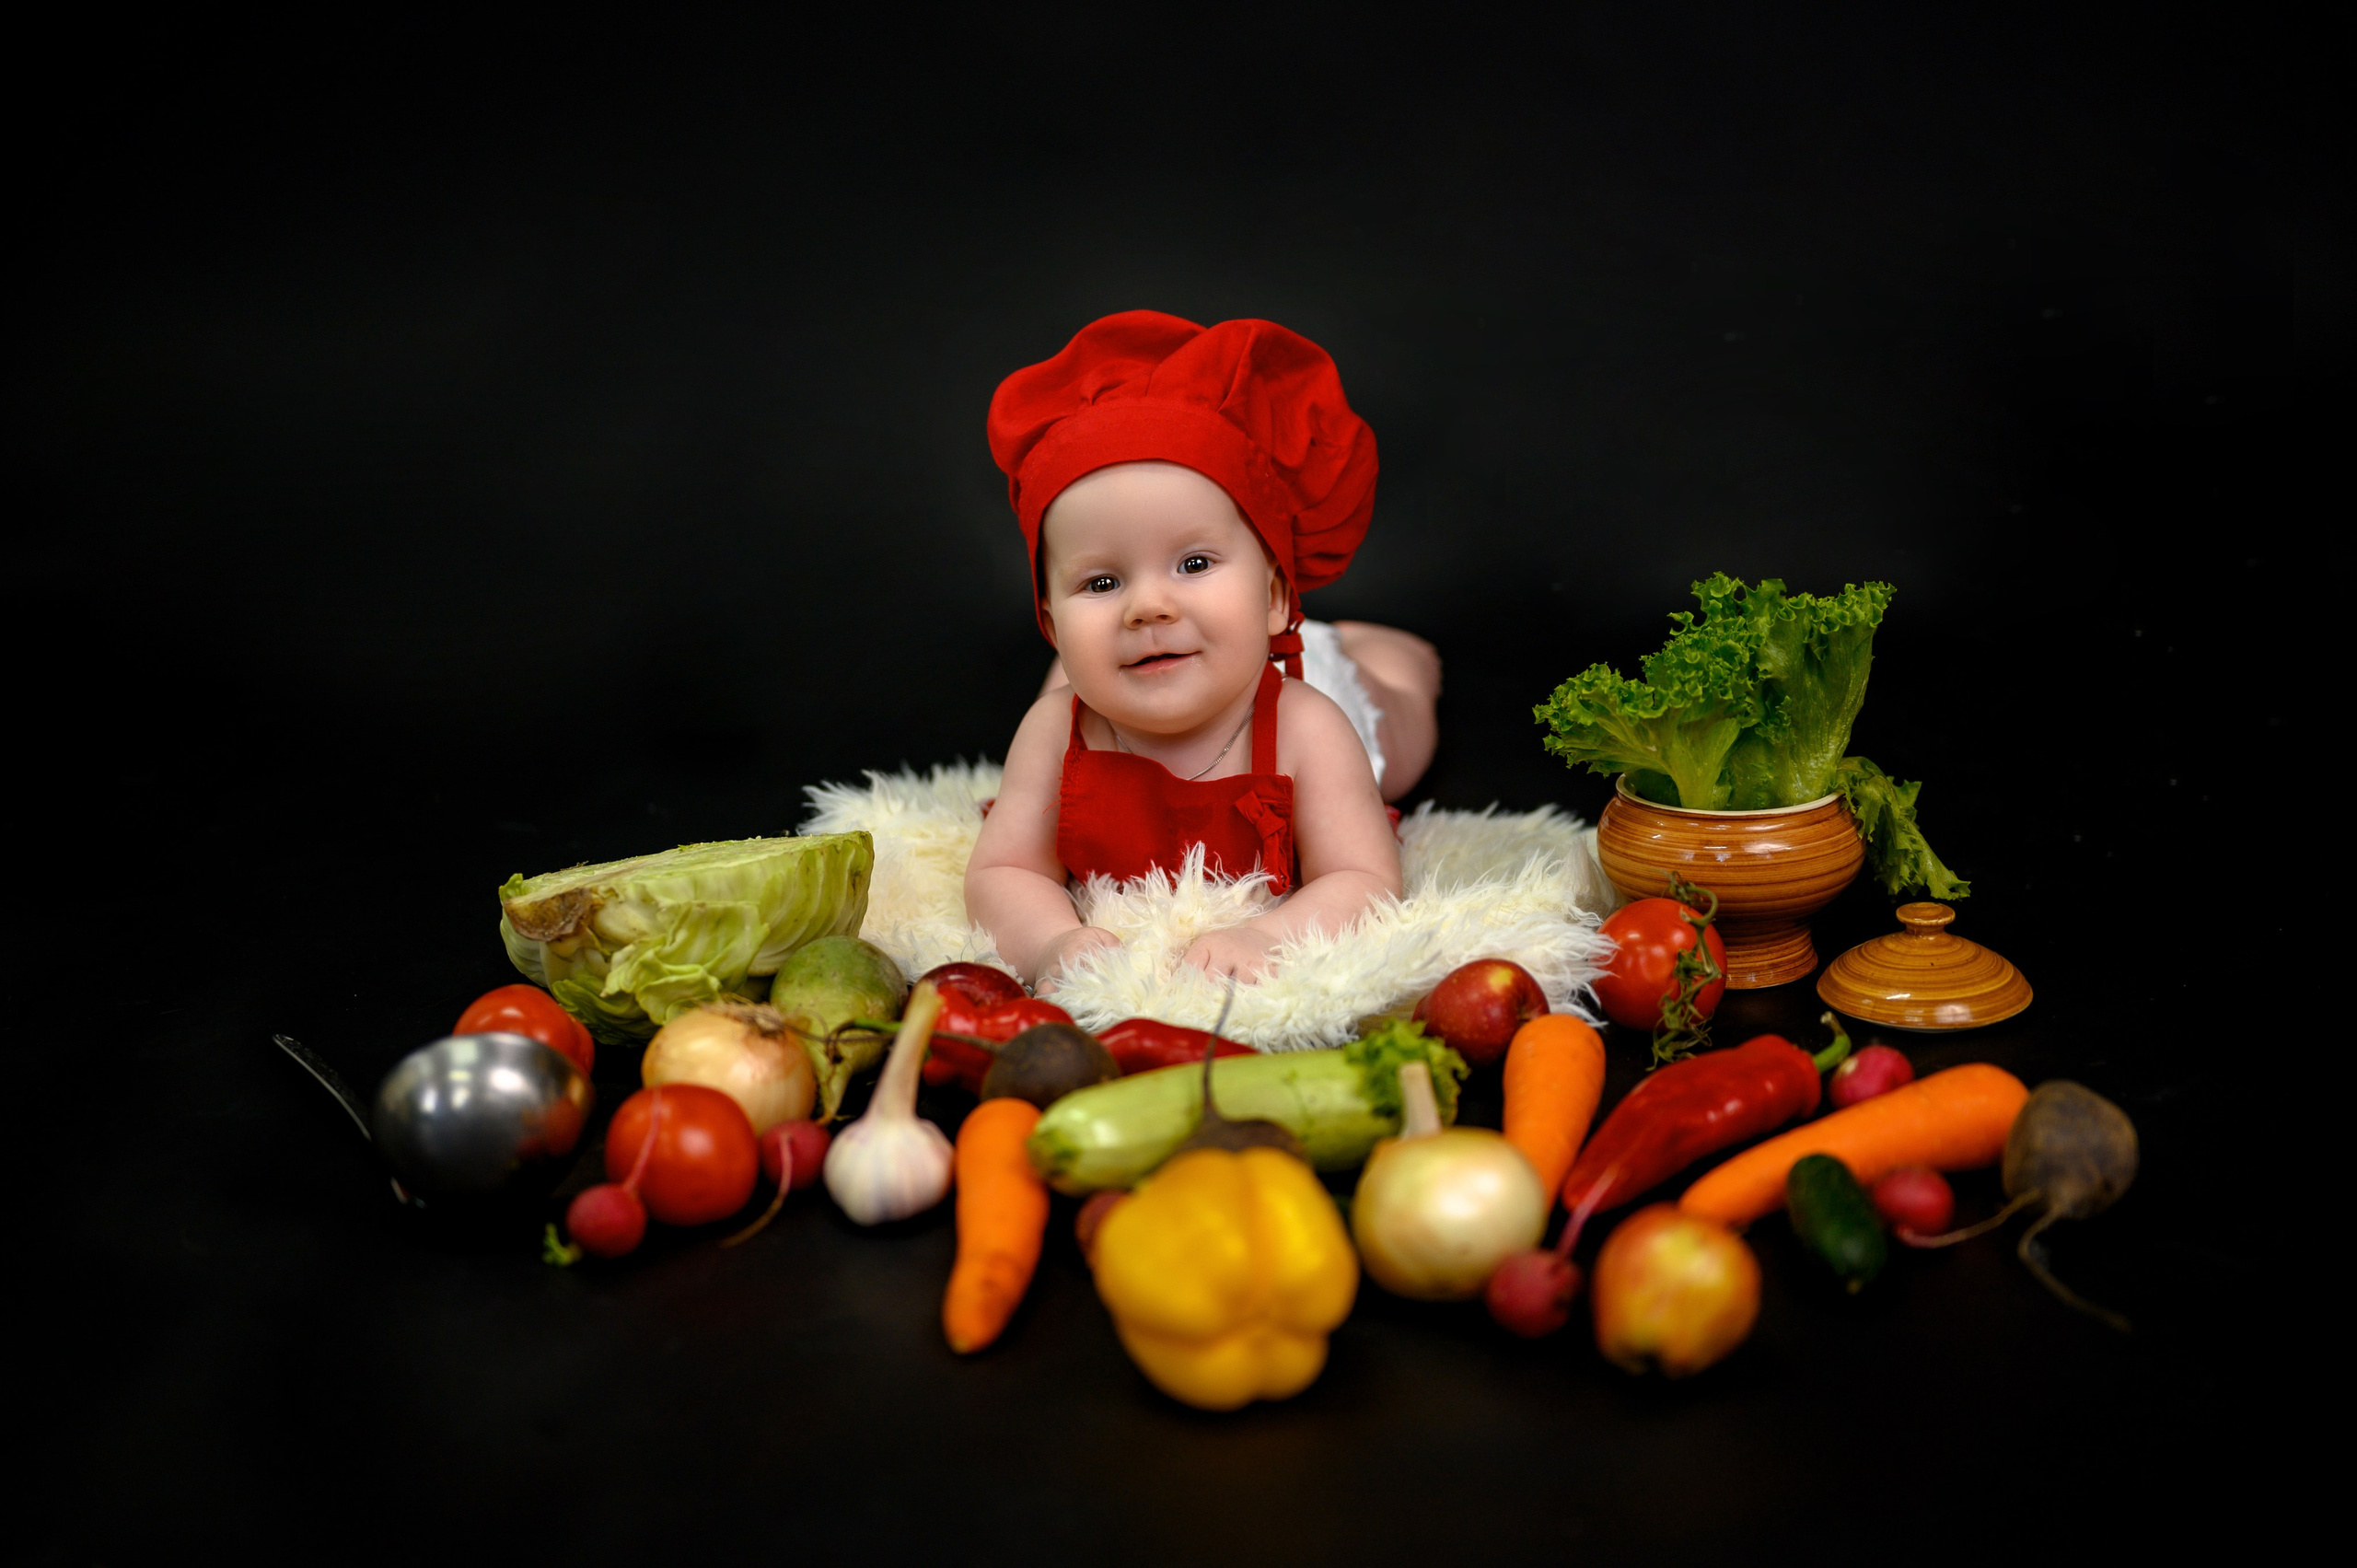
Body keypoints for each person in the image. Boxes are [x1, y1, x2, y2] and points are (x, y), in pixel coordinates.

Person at [965, 311, 1440, 989]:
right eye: (1103, 581)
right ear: (1046, 614)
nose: (1148, 605)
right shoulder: (1052, 734)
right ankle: (1090, 646)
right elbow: (1002, 870)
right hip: (1137, 669)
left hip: (1303, 685)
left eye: (1193, 563)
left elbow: (1364, 877)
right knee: (1068, 691)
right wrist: (1050, 943)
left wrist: (1267, 933)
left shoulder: (1311, 728)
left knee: (1398, 731)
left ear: (1276, 594)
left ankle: (1386, 653)